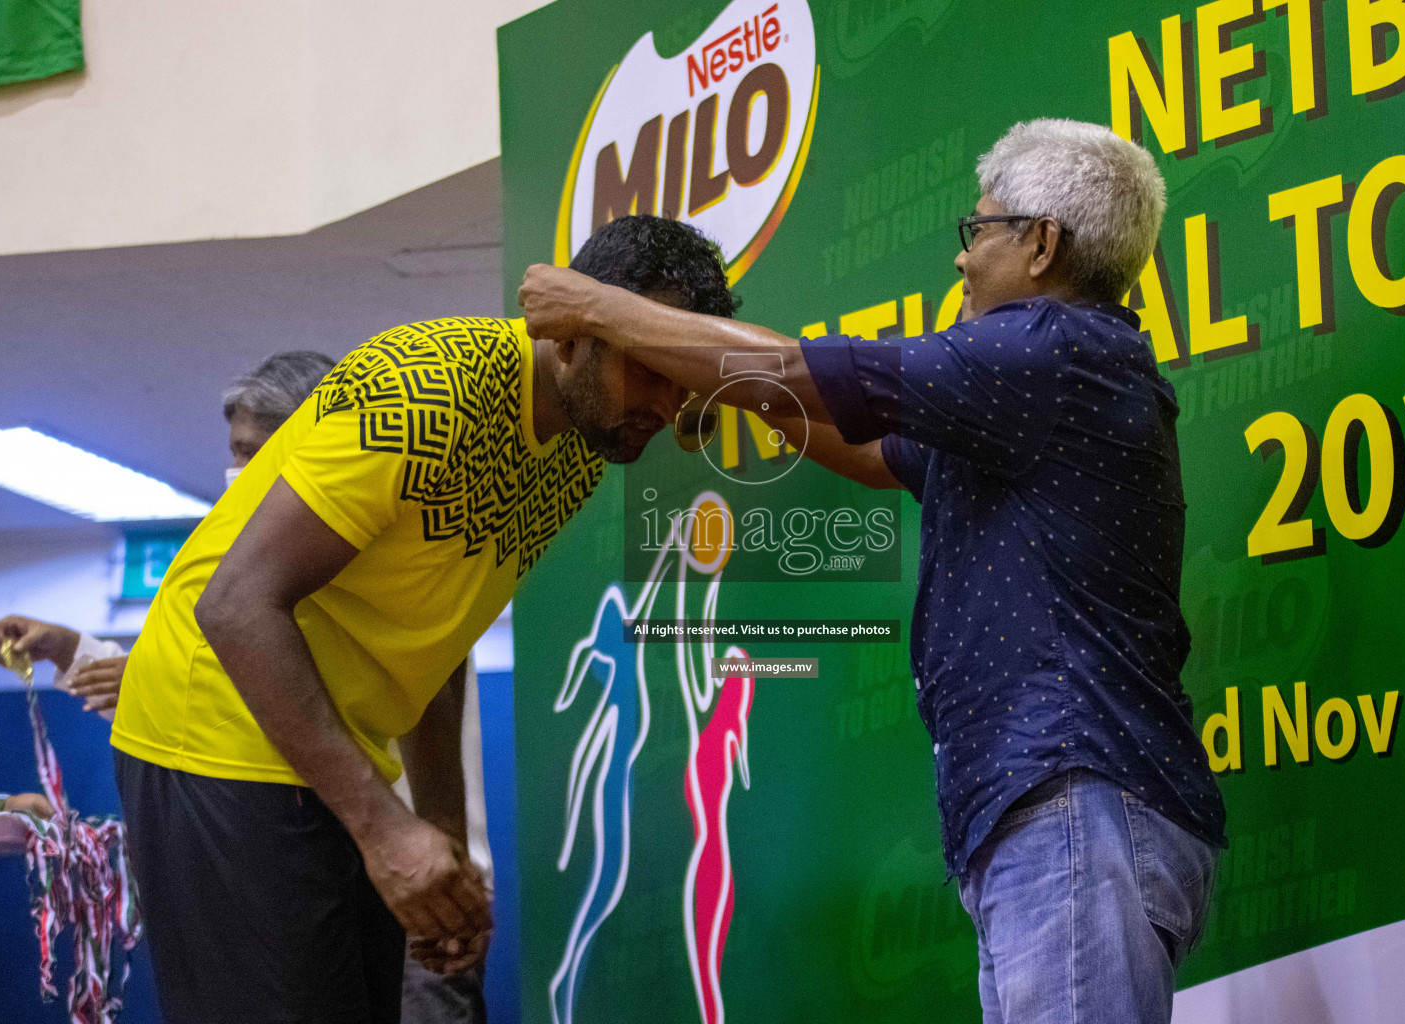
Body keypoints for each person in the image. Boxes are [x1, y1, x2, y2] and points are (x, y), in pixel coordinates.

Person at [519, 119, 1226, 1023]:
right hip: (1053, 811)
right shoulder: (1041, 394)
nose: (962, 264)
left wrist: (595, 306)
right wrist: (729, 385)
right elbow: (873, 450)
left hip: (1073, 800)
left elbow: (800, 372)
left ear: (1043, 244)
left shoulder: (1049, 349)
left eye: (978, 233)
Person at [109, 215, 735, 1024]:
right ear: (573, 337)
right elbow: (234, 606)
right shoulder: (432, 385)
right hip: (213, 734)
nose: (670, 401)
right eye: (650, 369)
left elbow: (435, 633)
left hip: (330, 756)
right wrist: (383, 830)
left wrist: (436, 828)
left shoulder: (580, 449)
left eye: (683, 374)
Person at [0, 347, 495, 1023]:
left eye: (261, 451)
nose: (243, 473)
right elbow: (212, 698)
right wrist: (73, 651)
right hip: (318, 855)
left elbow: (275, 691)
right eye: (237, 452)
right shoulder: (260, 588)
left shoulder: (386, 581)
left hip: (411, 883)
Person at [0, 351, 337, 719]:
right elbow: (175, 680)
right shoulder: (226, 552)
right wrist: (65, 648)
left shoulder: (341, 558)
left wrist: (155, 683)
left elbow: (302, 702)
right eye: (235, 453)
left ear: (308, 452)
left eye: (250, 453)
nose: (235, 471)